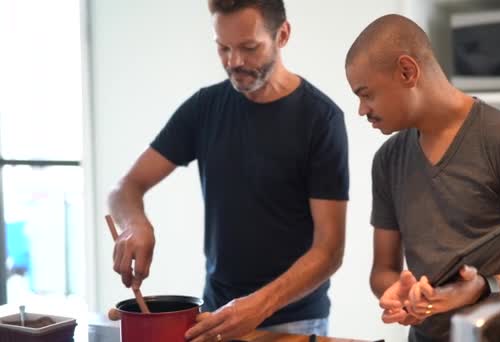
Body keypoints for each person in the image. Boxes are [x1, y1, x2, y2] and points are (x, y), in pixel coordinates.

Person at [108, 1, 349, 341]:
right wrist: (134, 224)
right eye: (223, 48)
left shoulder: (320, 120)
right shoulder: (205, 108)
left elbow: (329, 249)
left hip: (295, 323)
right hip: (216, 316)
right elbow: (125, 187)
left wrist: (260, 305)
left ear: (282, 35)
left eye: (249, 48)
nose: (234, 61)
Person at [345, 14, 500, 342]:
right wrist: (398, 292)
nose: (361, 109)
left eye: (366, 94)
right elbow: (383, 271)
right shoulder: (388, 160)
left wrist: (484, 287)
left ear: (407, 71)